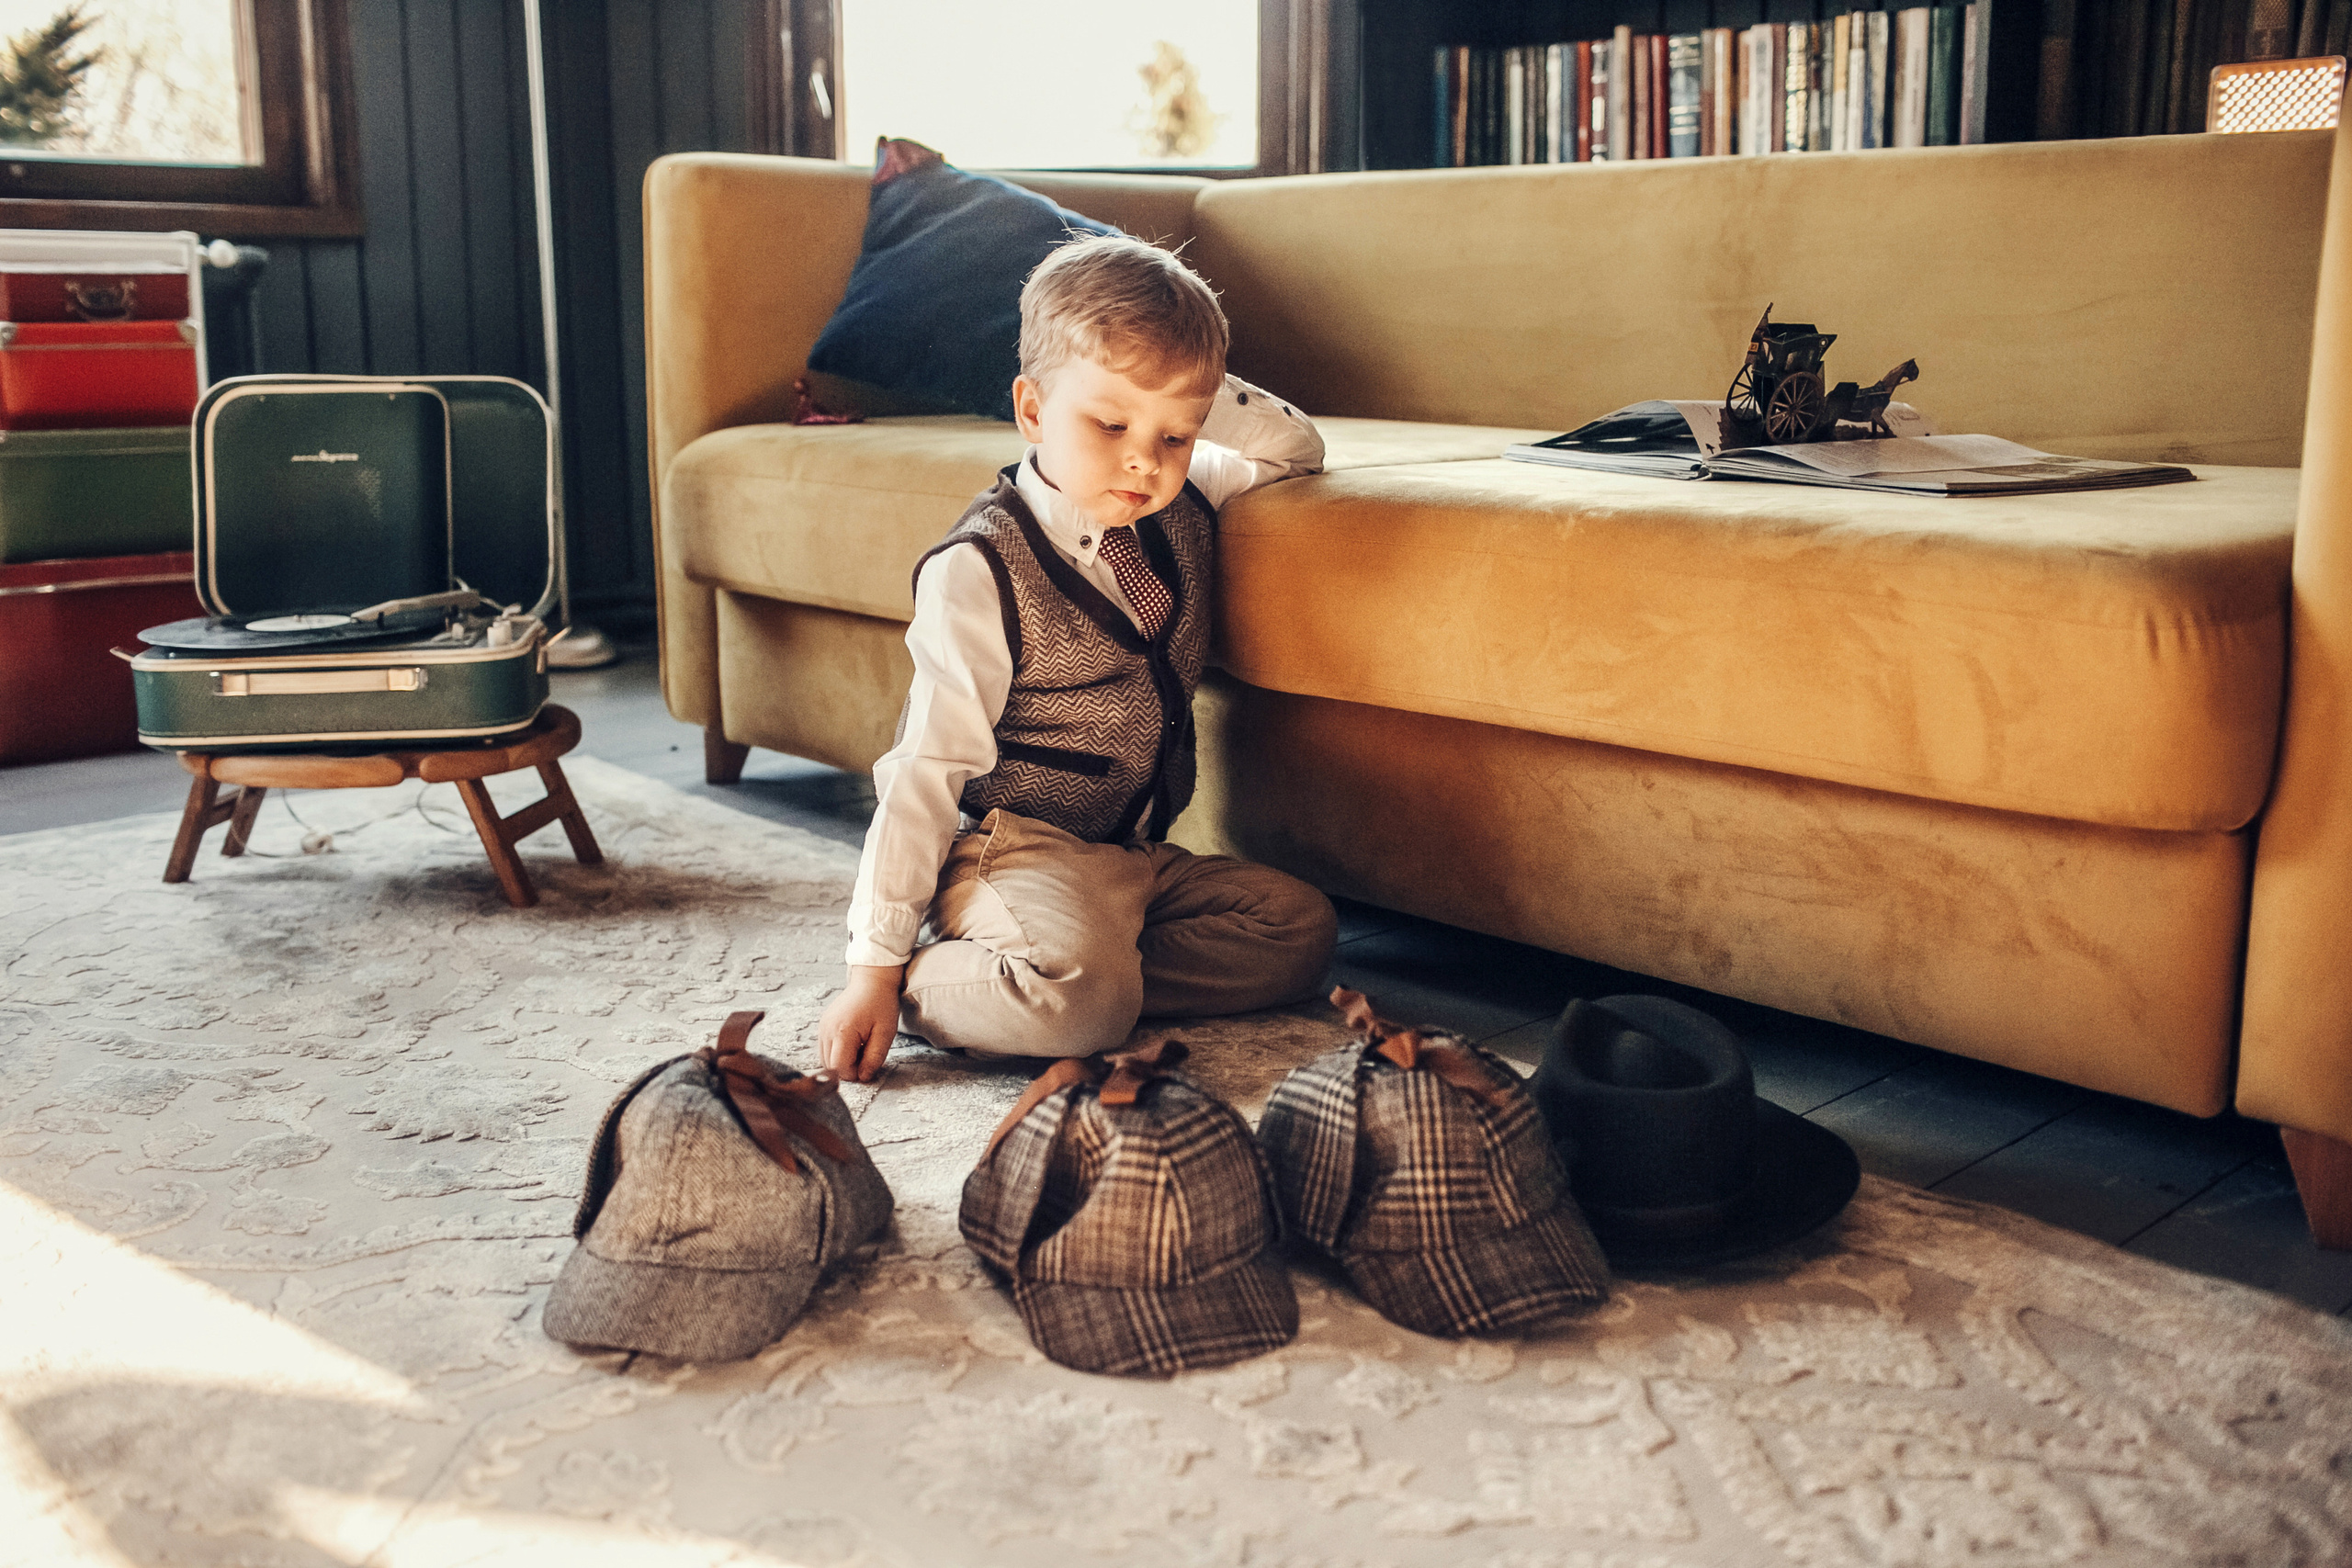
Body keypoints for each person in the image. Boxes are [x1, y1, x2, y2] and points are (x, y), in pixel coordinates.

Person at [818, 232, 1338, 1083]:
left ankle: (1094, 978)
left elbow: (1296, 449)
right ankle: (940, 979)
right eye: (1111, 423)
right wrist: (870, 971)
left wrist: (1190, 389)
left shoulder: (1185, 490)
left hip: (1132, 854)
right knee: (1076, 1008)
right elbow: (923, 770)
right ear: (1032, 411)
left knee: (1300, 929)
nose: (1145, 460)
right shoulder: (977, 569)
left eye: (1177, 434)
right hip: (1017, 845)